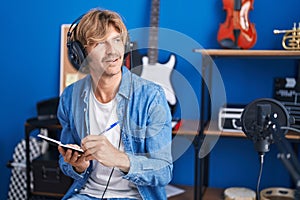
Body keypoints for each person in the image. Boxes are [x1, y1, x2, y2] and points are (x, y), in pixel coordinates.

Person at [57, 8, 173, 200]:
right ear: (80, 53)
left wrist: (118, 158)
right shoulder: (70, 97)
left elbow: (164, 171)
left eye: (117, 40)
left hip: (136, 196)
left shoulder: (152, 96)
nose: (113, 51)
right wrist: (77, 166)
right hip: (86, 194)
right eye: (101, 43)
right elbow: (65, 159)